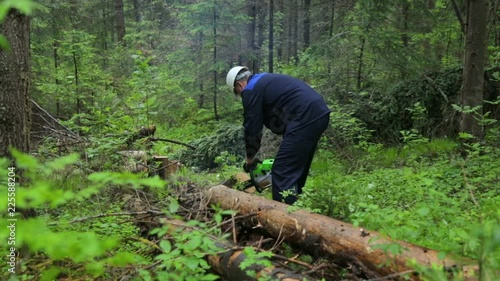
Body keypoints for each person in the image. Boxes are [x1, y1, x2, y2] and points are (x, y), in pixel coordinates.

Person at [226, 66, 331, 205]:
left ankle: (285, 218)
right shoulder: (263, 80)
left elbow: (252, 128)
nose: (241, 95)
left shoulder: (250, 90)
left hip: (304, 116)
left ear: (239, 85)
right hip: (319, 112)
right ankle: (297, 205)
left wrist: (250, 158)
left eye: (238, 92)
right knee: (296, 166)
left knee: (281, 170)